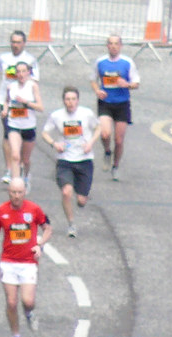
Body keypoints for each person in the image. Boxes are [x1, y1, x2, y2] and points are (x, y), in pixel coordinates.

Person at [0, 178, 52, 337]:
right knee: (11, 302)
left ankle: (29, 313)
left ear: (25, 192)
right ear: (9, 192)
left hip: (28, 262)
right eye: (13, 192)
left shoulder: (34, 209)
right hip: (8, 261)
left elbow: (48, 228)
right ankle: (15, 336)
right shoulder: (1, 210)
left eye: (19, 192)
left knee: (28, 301)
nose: (16, 196)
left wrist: (40, 245)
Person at [41, 86, 100, 239]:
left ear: (78, 100)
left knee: (81, 200)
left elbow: (98, 127)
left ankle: (81, 197)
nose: (71, 102)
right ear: (63, 101)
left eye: (73, 99)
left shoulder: (86, 113)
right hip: (65, 160)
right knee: (66, 192)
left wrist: (91, 143)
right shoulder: (57, 116)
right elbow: (44, 132)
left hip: (84, 160)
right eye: (68, 99)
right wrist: (55, 144)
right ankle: (71, 224)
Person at [0, 31, 39, 183]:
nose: (15, 45)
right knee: (8, 134)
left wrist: (21, 77)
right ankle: (9, 169)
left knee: (22, 137)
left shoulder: (30, 60)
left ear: (24, 43)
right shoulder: (4, 57)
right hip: (6, 101)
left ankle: (22, 165)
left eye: (18, 42)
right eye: (13, 42)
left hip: (24, 102)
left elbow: (35, 79)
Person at [91, 35, 140, 182]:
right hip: (105, 102)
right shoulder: (100, 62)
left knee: (119, 140)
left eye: (116, 44)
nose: (113, 46)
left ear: (121, 46)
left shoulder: (127, 62)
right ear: (107, 46)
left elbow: (136, 83)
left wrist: (127, 84)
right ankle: (107, 152)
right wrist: (97, 91)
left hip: (122, 104)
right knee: (105, 134)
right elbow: (93, 79)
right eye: (110, 44)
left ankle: (116, 166)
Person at [2, 62, 42, 189]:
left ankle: (26, 175)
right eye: (18, 72)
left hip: (28, 126)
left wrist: (26, 103)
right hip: (14, 124)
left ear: (28, 72)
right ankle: (15, 184)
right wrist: (5, 110)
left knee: (25, 160)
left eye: (23, 71)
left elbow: (40, 107)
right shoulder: (11, 87)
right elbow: (7, 101)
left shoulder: (33, 86)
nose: (21, 74)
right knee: (15, 155)